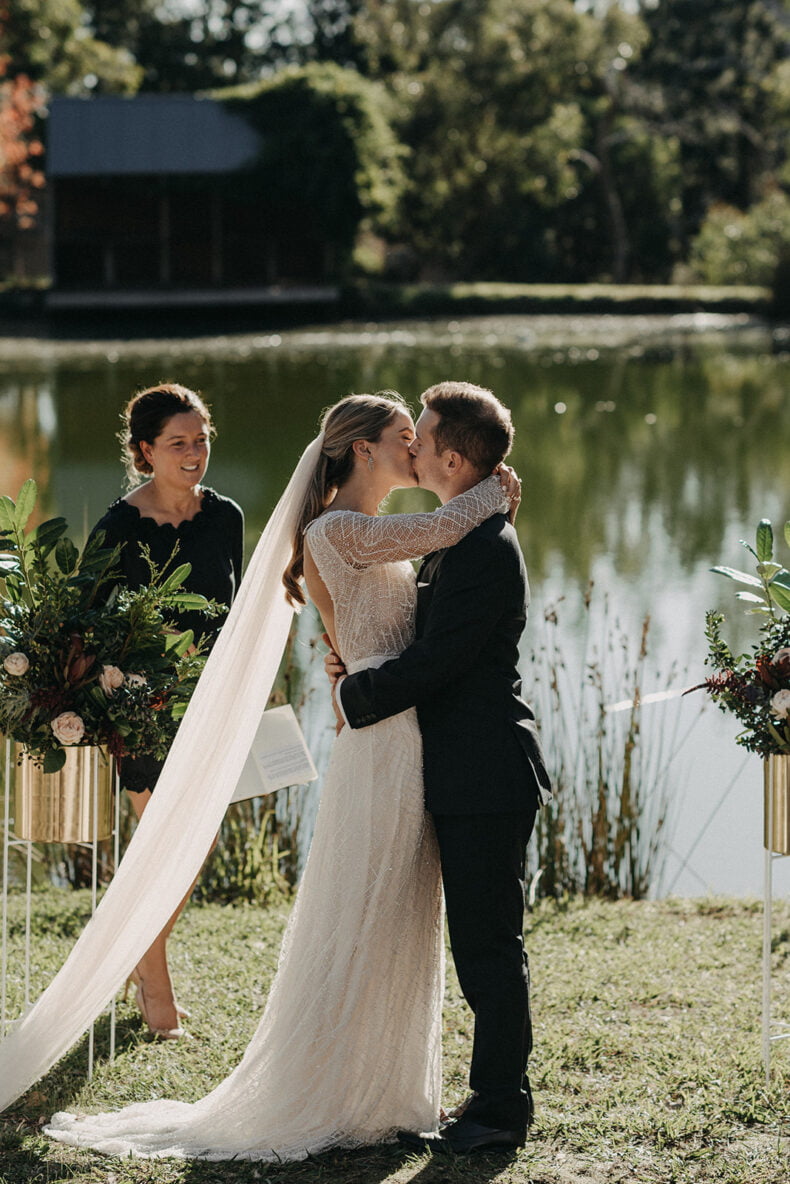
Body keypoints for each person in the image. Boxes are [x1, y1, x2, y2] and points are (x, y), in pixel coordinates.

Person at [34, 389, 517, 1160]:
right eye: (404, 436)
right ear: (363, 449)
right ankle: (331, 1090)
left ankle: (384, 1090)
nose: (415, 450)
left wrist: (352, 660)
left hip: (399, 730)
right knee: (367, 911)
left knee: (396, 914)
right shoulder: (340, 529)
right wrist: (495, 489)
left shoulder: (365, 530)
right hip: (381, 740)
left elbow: (421, 595)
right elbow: (440, 527)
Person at [331, 381, 551, 1154]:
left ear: (453, 460)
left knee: (489, 949)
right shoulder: (465, 533)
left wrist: (355, 694)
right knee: (478, 945)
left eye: (422, 440)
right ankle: (490, 1099)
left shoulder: (485, 548)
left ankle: (500, 1110)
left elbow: (441, 660)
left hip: (486, 774)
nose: (413, 449)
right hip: (460, 771)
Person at [91, 383, 244, 1038]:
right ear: (145, 450)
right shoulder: (117, 527)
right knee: (163, 847)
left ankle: (139, 958)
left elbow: (236, 615)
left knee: (197, 842)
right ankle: (155, 983)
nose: (193, 453)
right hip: (143, 709)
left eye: (201, 440)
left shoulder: (227, 516)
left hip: (211, 706)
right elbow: (89, 625)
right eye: (178, 443)